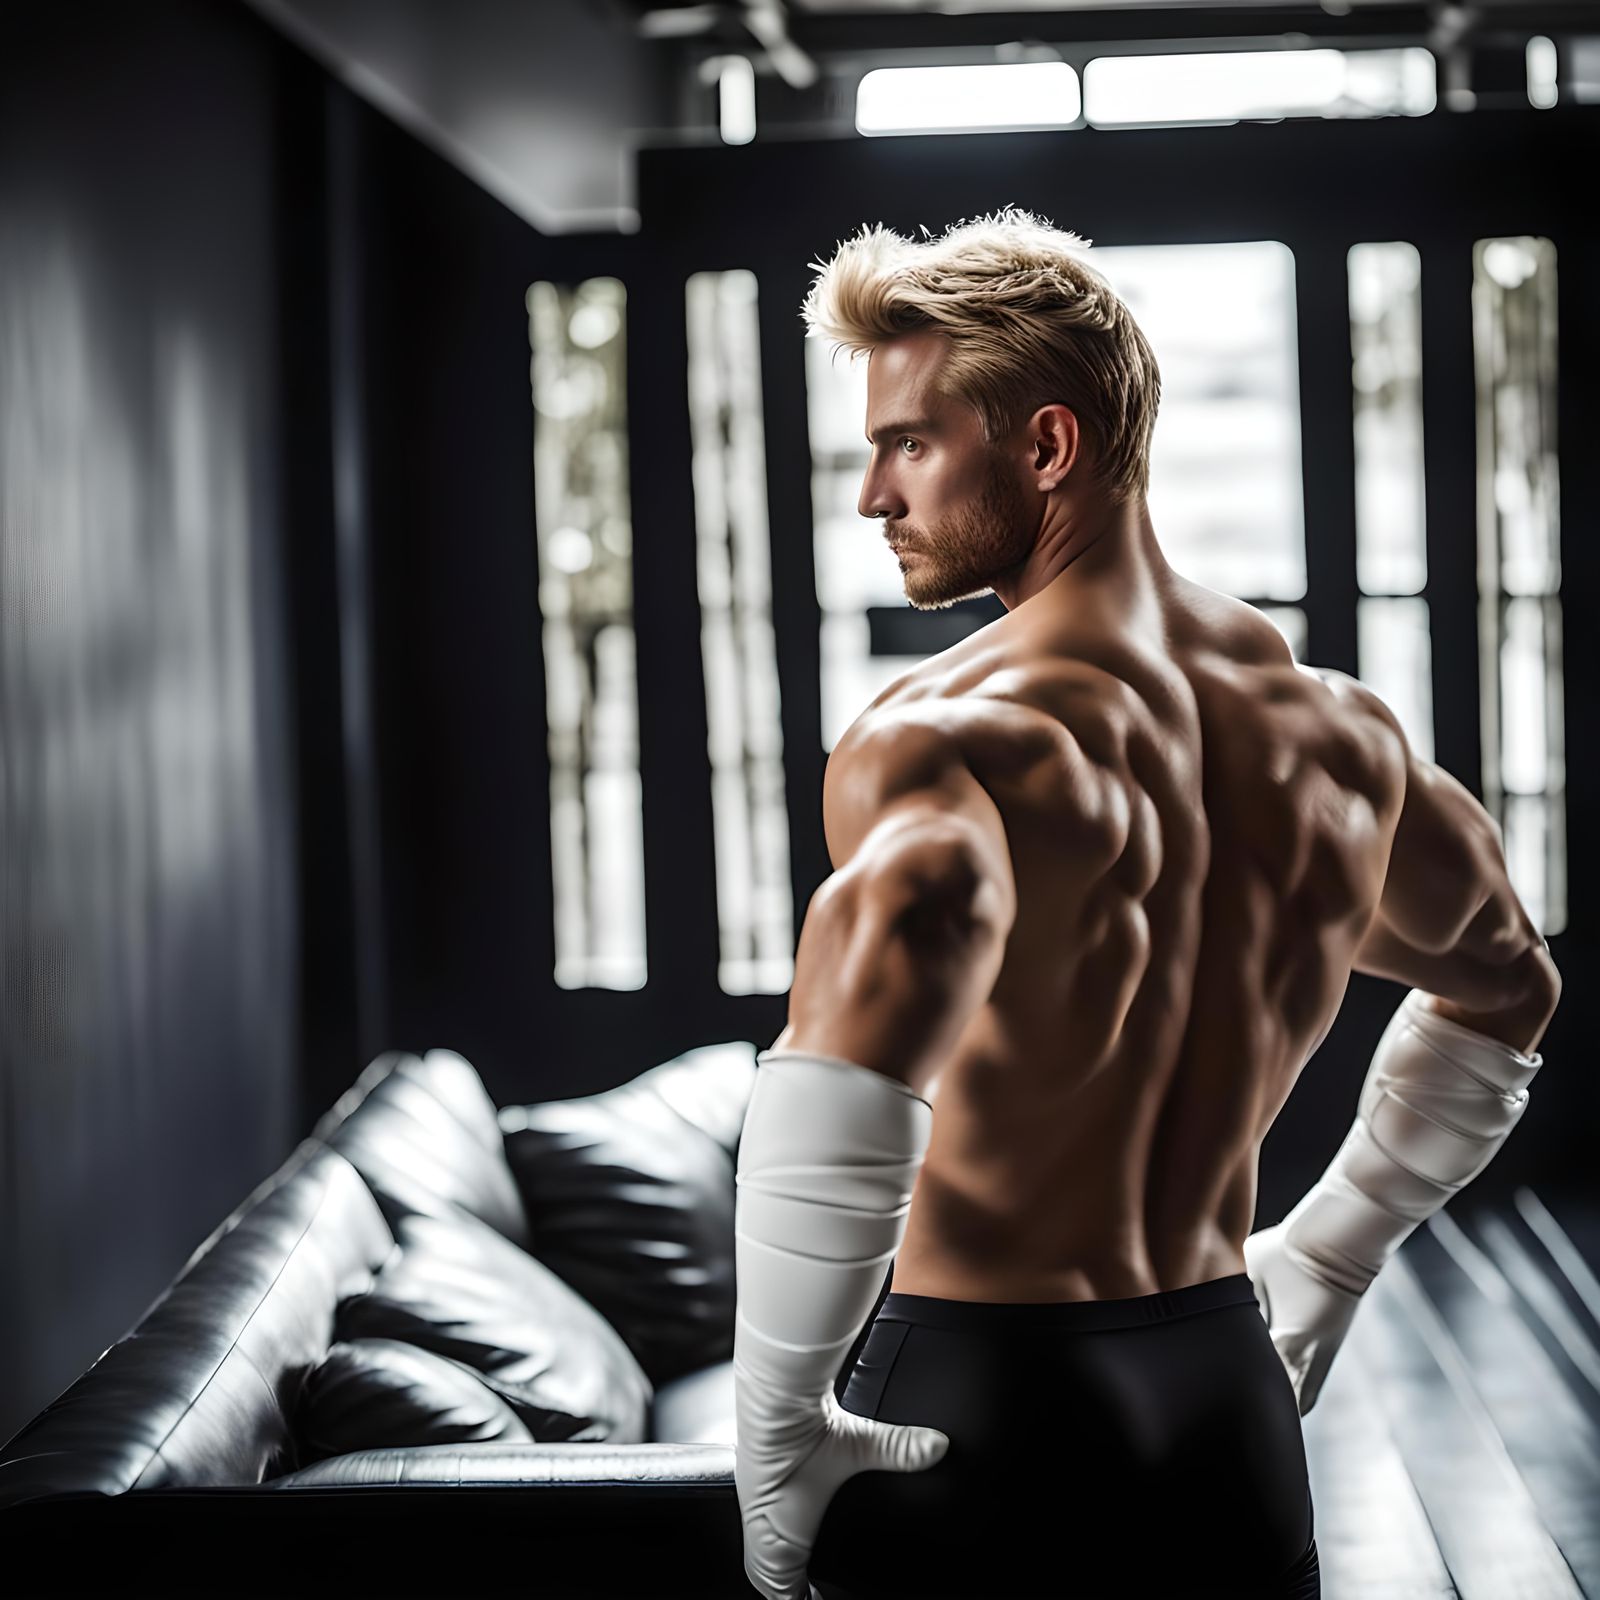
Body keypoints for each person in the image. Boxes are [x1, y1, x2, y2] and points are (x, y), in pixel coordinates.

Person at [731, 207, 1562, 1600]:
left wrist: (775, 1429)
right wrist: (1335, 1250)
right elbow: (1508, 983)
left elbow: (873, 1013)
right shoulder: (1337, 738)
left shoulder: (943, 737)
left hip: (968, 1405)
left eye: (910, 445)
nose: (875, 496)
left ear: (1048, 447)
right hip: (1223, 1385)